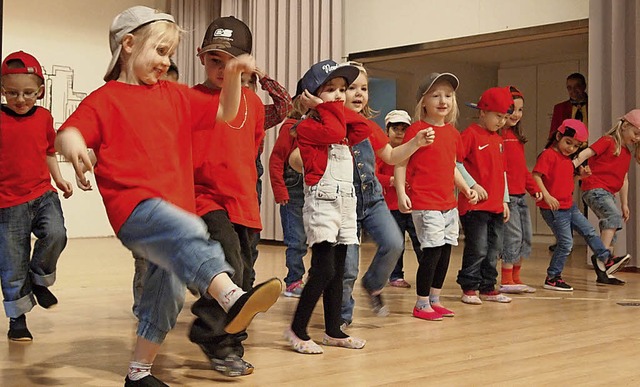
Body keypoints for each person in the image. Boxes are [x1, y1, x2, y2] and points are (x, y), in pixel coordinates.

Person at [54, 7, 281, 385]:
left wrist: (237, 75)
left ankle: (139, 373)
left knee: (166, 295)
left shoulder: (175, 96)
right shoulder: (106, 99)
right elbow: (69, 132)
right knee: (188, 230)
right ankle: (231, 297)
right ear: (128, 45)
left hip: (172, 212)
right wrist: (74, 144)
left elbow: (225, 112)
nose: (165, 62)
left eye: (170, 54)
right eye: (160, 51)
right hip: (137, 210)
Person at [188, 16, 269, 377]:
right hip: (205, 198)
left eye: (231, 62)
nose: (222, 69)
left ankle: (232, 344)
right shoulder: (190, 99)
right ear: (201, 57)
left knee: (245, 280)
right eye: (215, 61)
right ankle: (210, 336)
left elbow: (251, 154)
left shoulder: (255, 104)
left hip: (244, 203)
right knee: (229, 267)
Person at [340, 62, 435, 328]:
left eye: (364, 88)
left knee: (394, 243)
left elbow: (391, 155)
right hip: (344, 203)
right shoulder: (331, 126)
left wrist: (415, 143)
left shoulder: (370, 127)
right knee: (347, 267)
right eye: (351, 88)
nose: (359, 94)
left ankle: (372, 283)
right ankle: (342, 317)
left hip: (372, 200)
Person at [284, 59, 367, 354]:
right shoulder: (307, 126)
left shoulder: (339, 122)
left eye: (342, 89)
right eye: (330, 89)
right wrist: (319, 107)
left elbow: (363, 128)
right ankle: (297, 329)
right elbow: (332, 133)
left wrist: (335, 107)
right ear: (312, 97)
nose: (339, 95)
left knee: (340, 268)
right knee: (322, 269)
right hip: (323, 204)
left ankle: (333, 330)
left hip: (345, 204)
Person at [0, 51, 73, 341]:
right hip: (8, 203)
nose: (21, 100)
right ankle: (18, 319)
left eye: (29, 93)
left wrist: (59, 179)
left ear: (40, 91)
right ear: (3, 91)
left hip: (42, 193)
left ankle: (40, 279)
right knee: (12, 262)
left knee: (57, 234)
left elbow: (48, 151)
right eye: (12, 93)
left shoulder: (44, 116)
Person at [394, 72, 478, 320]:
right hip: (425, 203)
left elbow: (451, 166)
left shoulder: (452, 134)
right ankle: (421, 304)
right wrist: (401, 193)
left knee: (445, 251)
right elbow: (400, 162)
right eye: (436, 95)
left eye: (448, 96)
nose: (443, 100)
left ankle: (434, 299)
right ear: (424, 101)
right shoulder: (417, 130)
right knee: (431, 252)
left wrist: (465, 188)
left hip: (448, 204)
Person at [532, 119, 630, 291]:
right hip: (554, 209)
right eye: (568, 142)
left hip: (569, 205)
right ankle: (553, 277)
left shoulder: (567, 160)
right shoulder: (548, 154)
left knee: (589, 231)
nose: (571, 148)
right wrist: (546, 196)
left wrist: (580, 177)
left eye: (576, 146)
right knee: (566, 243)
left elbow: (565, 179)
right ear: (558, 136)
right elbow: (536, 176)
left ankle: (606, 258)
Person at [456, 87, 513, 305]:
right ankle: (470, 287)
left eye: (505, 117)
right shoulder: (470, 134)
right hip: (475, 206)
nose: (502, 121)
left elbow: (502, 172)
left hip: (496, 206)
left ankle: (488, 286)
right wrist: (472, 185)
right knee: (477, 247)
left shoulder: (499, 140)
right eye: (498, 116)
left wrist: (505, 199)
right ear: (482, 112)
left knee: (494, 249)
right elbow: (456, 163)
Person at [572, 109, 640, 285]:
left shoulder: (626, 153)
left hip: (607, 193)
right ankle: (603, 259)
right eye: (636, 133)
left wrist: (625, 203)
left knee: (612, 230)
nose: (637, 138)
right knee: (612, 218)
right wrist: (572, 165)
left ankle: (603, 272)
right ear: (625, 126)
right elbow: (587, 153)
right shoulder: (608, 141)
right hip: (595, 188)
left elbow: (624, 179)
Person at [243, 67, 293, 291]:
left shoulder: (258, 113)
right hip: (223, 173)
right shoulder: (221, 109)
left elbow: (285, 106)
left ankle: (246, 284)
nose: (245, 86)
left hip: (251, 174)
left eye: (249, 82)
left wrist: (263, 76)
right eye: (240, 81)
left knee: (251, 233)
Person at [499, 86, 542, 294]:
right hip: (507, 198)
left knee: (526, 237)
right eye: (512, 109)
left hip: (520, 196)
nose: (516, 114)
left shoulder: (516, 138)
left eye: (520, 110)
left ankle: (516, 277)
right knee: (513, 236)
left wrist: (533, 189)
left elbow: (522, 169)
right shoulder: (500, 137)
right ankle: (506, 278)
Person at [269, 87, 307, 297]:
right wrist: (280, 190)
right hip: (292, 190)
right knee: (296, 238)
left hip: (309, 188)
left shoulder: (314, 127)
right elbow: (276, 159)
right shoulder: (291, 127)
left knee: (309, 237)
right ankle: (294, 280)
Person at [375, 110, 420, 289]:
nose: (400, 132)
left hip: (412, 204)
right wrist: (390, 181)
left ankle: (426, 270)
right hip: (391, 206)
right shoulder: (383, 152)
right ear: (387, 131)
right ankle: (395, 275)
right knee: (397, 242)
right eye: (396, 128)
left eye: (404, 128)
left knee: (419, 240)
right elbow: (374, 175)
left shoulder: (413, 151)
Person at [549, 73, 588, 139]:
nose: (573, 91)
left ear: (584, 86)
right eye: (569, 88)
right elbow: (553, 134)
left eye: (577, 87)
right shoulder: (559, 108)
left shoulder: (594, 107)